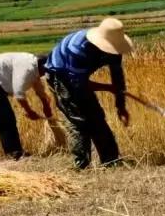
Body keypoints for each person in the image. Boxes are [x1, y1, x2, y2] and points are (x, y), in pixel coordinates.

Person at [43, 18, 132, 170]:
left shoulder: (115, 47)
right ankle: (81, 165)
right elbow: (79, 85)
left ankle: (110, 161)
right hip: (61, 75)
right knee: (79, 120)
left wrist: (120, 105)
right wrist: (107, 87)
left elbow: (117, 76)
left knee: (97, 117)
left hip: (76, 77)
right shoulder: (78, 50)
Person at [0, 52, 54, 159]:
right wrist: (29, 111)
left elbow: (38, 87)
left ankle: (16, 152)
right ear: (41, 66)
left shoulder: (34, 66)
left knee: (7, 117)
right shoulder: (27, 69)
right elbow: (19, 94)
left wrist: (46, 106)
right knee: (4, 119)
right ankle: (14, 154)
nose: (44, 75)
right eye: (45, 71)